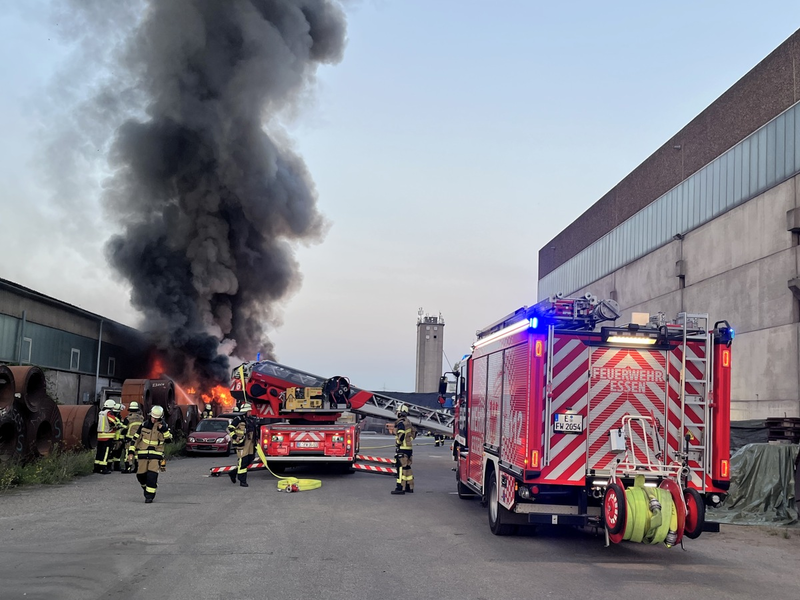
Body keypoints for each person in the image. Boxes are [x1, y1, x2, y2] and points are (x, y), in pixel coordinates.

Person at [128, 405, 173, 503]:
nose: (154, 419)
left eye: (156, 418)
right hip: (142, 454)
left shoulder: (164, 426)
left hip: (156, 455)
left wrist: (163, 430)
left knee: (152, 476)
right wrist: (131, 452)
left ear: (160, 417)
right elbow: (135, 439)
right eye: (153, 417)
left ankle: (149, 496)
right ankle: (147, 488)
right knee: (140, 475)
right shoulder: (144, 425)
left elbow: (169, 440)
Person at [227, 402, 257, 487]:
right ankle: (242, 480)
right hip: (242, 443)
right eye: (249, 411)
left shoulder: (251, 419)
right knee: (243, 461)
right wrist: (235, 437)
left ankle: (233, 473)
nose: (250, 412)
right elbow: (229, 428)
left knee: (250, 458)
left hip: (250, 442)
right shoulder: (238, 419)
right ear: (245, 411)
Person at [391, 404, 415, 495]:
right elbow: (414, 432)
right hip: (409, 449)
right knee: (407, 467)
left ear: (400, 413)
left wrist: (398, 443)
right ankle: (409, 487)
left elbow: (401, 435)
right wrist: (409, 440)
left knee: (400, 468)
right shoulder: (408, 422)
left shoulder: (400, 423)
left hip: (402, 449)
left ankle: (400, 488)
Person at [94, 398, 121, 474]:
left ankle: (96, 467)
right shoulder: (108, 413)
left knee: (99, 452)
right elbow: (113, 421)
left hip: (100, 435)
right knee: (105, 452)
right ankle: (103, 468)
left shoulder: (101, 412)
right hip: (107, 436)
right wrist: (117, 425)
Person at [122, 401, 144, 473]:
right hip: (139, 438)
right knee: (137, 453)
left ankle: (128, 468)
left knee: (128, 453)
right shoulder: (141, 418)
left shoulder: (128, 418)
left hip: (130, 439)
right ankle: (137, 468)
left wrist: (122, 437)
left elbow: (124, 429)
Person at [110, 401, 126, 471]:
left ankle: (116, 466)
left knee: (118, 453)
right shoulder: (114, 418)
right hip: (115, 438)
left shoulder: (118, 417)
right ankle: (109, 466)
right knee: (112, 453)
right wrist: (124, 426)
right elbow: (119, 425)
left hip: (119, 438)